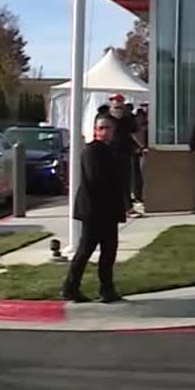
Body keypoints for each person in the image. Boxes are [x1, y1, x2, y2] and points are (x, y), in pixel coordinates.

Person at [59, 115, 125, 303]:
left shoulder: (111, 151)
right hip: (95, 210)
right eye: (101, 128)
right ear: (95, 130)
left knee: (109, 251)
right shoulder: (92, 151)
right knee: (85, 250)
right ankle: (70, 287)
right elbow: (96, 180)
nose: (105, 132)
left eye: (108, 128)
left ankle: (107, 289)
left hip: (108, 210)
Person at [107, 94, 144, 217]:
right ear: (111, 103)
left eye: (119, 102)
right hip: (108, 154)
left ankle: (127, 208)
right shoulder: (106, 118)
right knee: (109, 181)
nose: (117, 104)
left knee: (125, 182)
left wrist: (141, 146)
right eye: (114, 102)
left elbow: (134, 134)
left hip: (125, 154)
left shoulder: (128, 119)